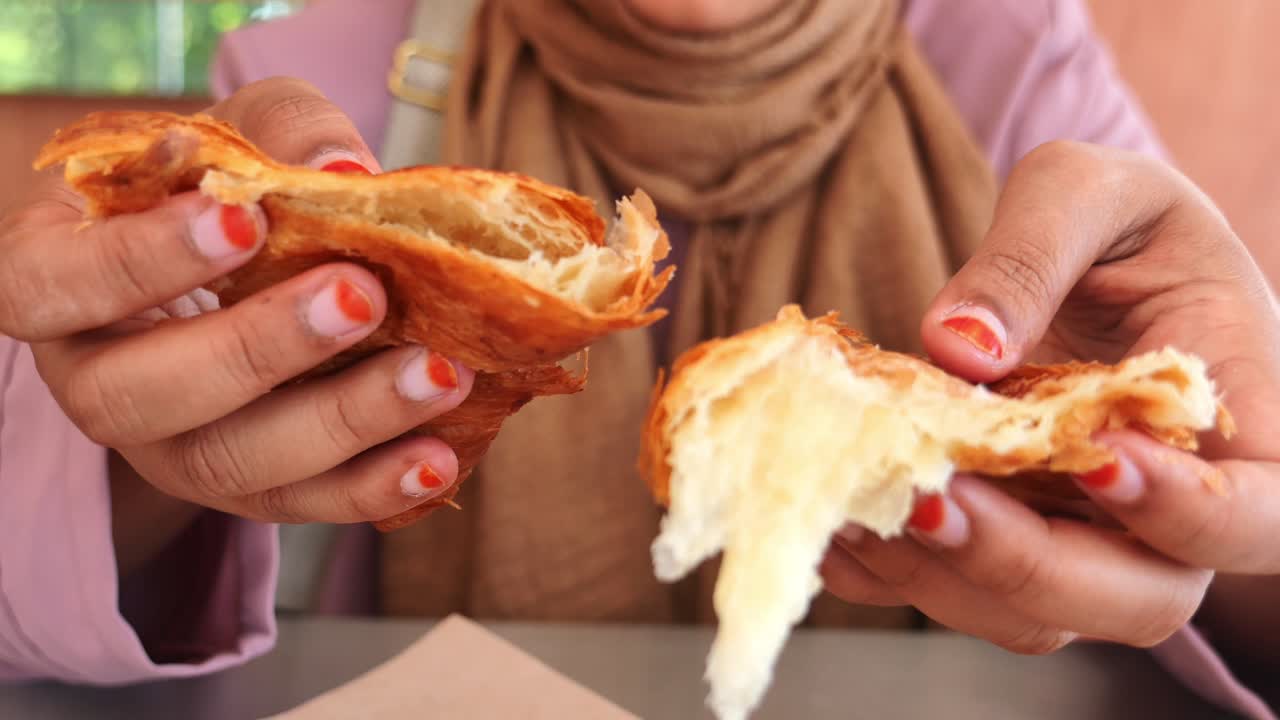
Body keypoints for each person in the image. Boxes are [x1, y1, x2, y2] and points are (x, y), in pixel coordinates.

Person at [0, 0, 1275, 717]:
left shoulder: (1018, 62)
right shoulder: (320, 73)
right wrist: (150, 439)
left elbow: (1214, 517)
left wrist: (1234, 491)